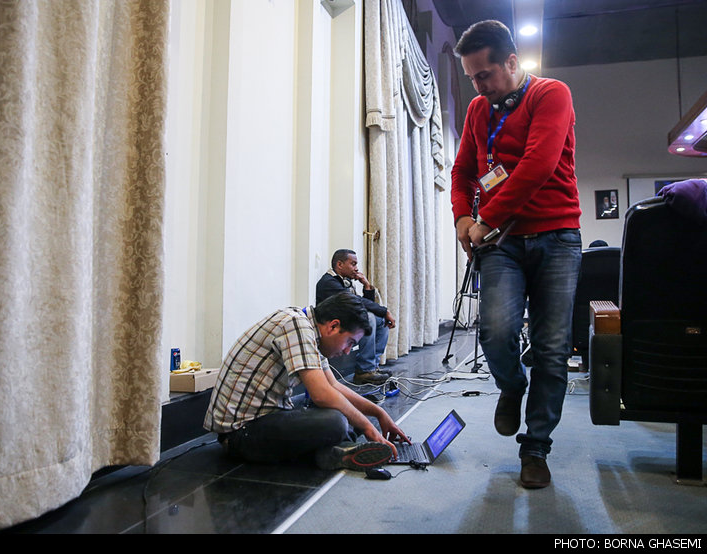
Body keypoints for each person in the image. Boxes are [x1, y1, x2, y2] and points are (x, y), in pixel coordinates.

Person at [450, 20, 582, 489]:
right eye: (471, 78)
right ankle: (512, 385)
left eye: (484, 75)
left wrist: (485, 218)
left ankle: (536, 448)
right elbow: (464, 171)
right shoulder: (478, 110)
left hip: (557, 237)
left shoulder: (551, 94)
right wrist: (462, 218)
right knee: (495, 330)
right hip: (501, 242)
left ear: (511, 61)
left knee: (551, 348)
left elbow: (537, 166)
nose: (479, 87)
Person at [203, 292, 410, 471]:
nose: (348, 351)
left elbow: (334, 386)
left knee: (350, 412)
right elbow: (322, 395)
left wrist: (378, 413)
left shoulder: (309, 330)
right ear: (333, 326)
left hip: (265, 422)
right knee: (337, 422)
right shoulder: (295, 324)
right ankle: (327, 452)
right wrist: (368, 428)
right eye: (349, 342)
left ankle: (330, 453)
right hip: (240, 435)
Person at [315, 249, 396, 385]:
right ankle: (364, 370)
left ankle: (372, 367)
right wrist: (384, 310)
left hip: (346, 321)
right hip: (333, 325)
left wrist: (367, 285)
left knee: (381, 321)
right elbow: (357, 302)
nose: (356, 268)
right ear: (340, 264)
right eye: (353, 264)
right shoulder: (329, 282)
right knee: (369, 318)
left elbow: (361, 306)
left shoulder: (345, 281)